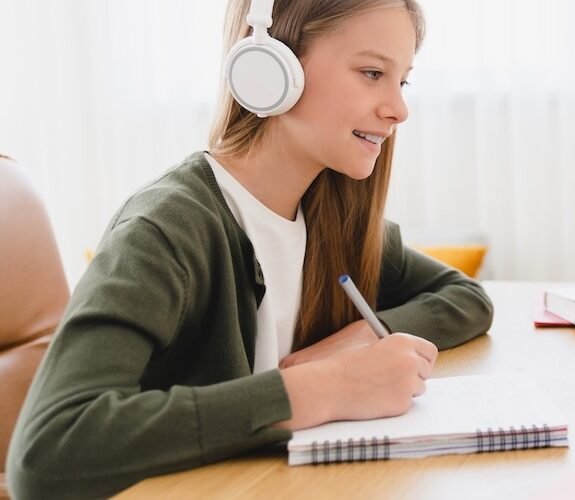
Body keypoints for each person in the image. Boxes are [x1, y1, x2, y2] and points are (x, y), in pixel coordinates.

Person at [6, 1, 493, 498]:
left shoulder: (335, 218)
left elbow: (466, 298)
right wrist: (323, 389)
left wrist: (363, 339)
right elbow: (48, 451)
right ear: (269, 63)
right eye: (372, 73)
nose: (399, 108)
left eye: (402, 81)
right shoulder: (167, 231)